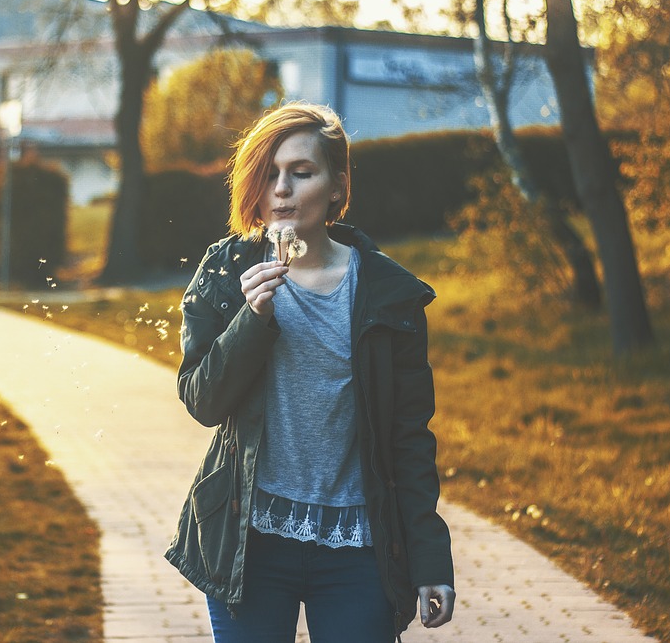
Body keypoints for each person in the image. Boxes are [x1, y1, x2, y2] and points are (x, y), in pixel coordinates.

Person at [164, 102, 456, 642]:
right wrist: (252, 319)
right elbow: (202, 402)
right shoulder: (228, 272)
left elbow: (410, 438)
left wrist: (431, 561)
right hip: (249, 540)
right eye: (269, 173)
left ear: (337, 185)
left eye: (301, 172)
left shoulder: (389, 295)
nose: (282, 189)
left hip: (357, 548)